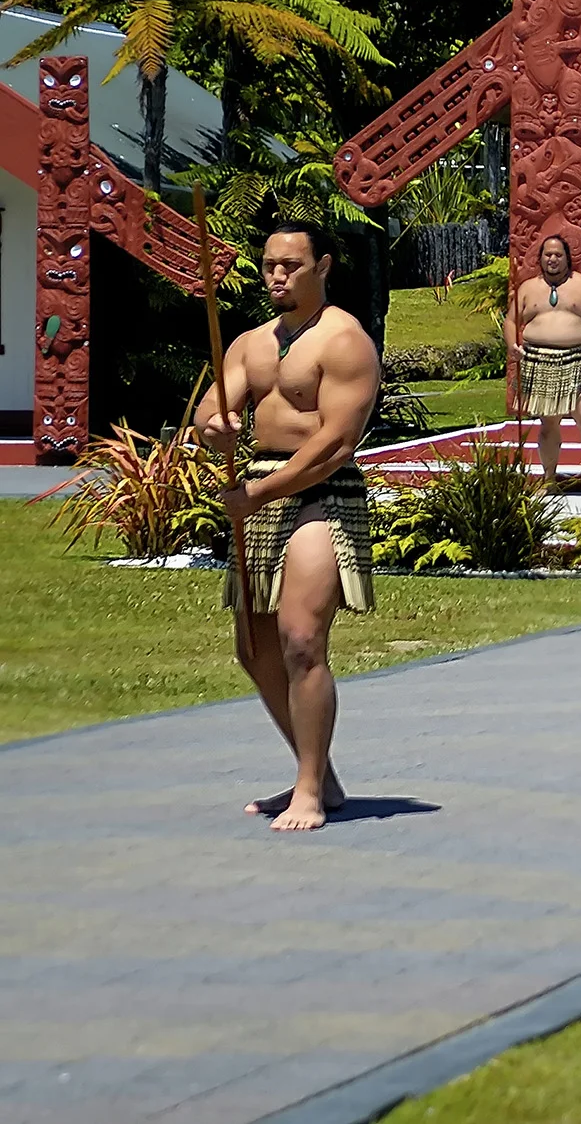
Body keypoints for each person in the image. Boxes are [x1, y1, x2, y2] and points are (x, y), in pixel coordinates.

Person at [196, 223, 378, 832]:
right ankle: (318, 772)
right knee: (255, 648)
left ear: (322, 266)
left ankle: (307, 792)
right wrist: (212, 428)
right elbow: (216, 408)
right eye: (270, 264)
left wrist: (260, 492)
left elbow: (335, 441)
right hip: (257, 492)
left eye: (291, 265)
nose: (277, 275)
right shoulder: (249, 343)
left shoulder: (345, 339)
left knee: (301, 640)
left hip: (319, 492)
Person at [504, 236, 581, 484]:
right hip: (540, 361)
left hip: (579, 359)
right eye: (548, 255)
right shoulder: (528, 289)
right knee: (548, 423)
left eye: (558, 255)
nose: (552, 259)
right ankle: (549, 479)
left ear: (567, 258)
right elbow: (511, 321)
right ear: (540, 258)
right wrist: (512, 346)